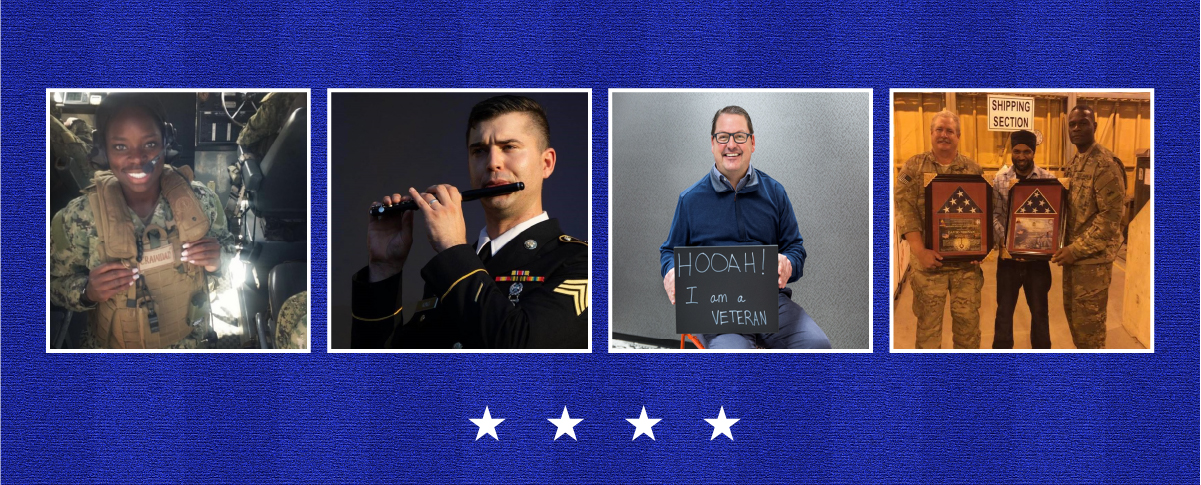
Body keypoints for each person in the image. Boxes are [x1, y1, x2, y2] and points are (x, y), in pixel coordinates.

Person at [350, 95, 588, 349]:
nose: (492, 163)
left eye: (509, 147)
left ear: (546, 163)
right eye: (479, 151)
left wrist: (453, 248)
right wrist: (384, 270)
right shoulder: (455, 265)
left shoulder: (582, 263)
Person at [49, 93, 235, 349]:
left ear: (165, 144)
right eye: (121, 146)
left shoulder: (200, 202)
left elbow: (228, 257)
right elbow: (53, 283)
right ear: (103, 150)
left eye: (149, 144)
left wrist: (219, 262)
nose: (137, 158)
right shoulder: (78, 218)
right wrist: (86, 292)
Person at [659, 106, 831, 349]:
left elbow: (795, 248)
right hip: (713, 309)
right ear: (712, 143)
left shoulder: (775, 193)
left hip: (770, 302)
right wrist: (671, 272)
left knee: (816, 346)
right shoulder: (690, 199)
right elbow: (669, 251)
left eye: (740, 136)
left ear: (752, 142)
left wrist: (788, 263)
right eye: (723, 137)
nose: (731, 144)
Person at [894, 110, 984, 349]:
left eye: (950, 131)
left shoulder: (973, 170)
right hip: (928, 264)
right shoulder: (913, 167)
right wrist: (919, 250)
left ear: (958, 136)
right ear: (931, 133)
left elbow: (982, 213)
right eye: (939, 130)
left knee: (968, 331)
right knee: (928, 332)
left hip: (965, 267)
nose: (944, 135)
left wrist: (980, 250)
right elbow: (905, 208)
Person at [1051, 105, 1126, 349]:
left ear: (1094, 126)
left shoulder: (1105, 164)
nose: (1076, 128)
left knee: (1090, 333)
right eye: (1072, 124)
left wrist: (1076, 249)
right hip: (1073, 259)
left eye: (1082, 123)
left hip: (1092, 263)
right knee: (1075, 323)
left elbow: (1111, 218)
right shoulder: (1074, 163)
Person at [991, 130, 1056, 349]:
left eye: (1027, 151)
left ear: (1034, 152)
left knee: (1040, 313)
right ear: (1011, 152)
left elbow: (1054, 219)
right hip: (1008, 261)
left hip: (1038, 262)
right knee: (1004, 313)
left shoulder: (1049, 180)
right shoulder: (1000, 180)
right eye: (1017, 151)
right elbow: (995, 215)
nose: (1021, 156)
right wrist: (1010, 243)